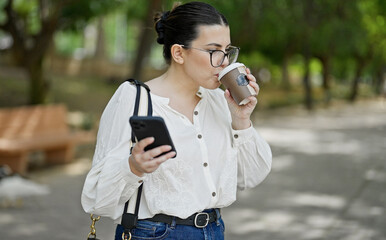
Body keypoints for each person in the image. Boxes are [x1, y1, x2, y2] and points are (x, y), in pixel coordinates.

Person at [81, 2, 272, 239]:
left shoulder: (218, 101)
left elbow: (250, 177)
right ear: (179, 53)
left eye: (227, 50)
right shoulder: (134, 98)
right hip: (153, 234)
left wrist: (241, 119)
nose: (225, 62)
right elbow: (96, 199)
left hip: (214, 230)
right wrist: (133, 167)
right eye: (214, 51)